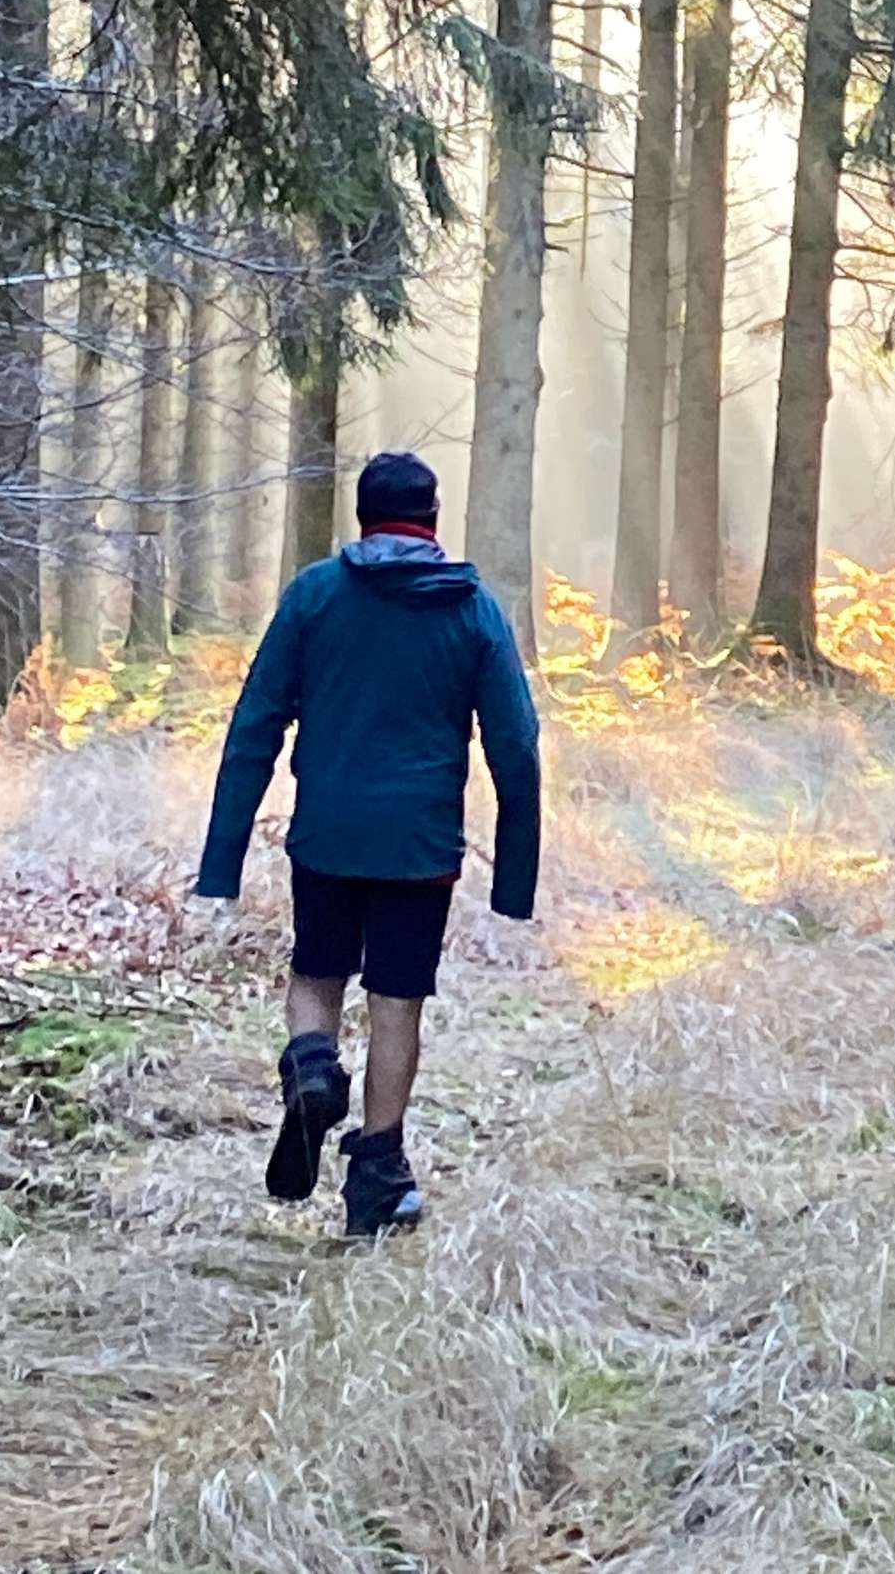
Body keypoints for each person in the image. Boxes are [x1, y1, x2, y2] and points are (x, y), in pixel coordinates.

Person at [194, 448, 542, 1237]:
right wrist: (515, 879)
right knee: (396, 1001)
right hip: (421, 846)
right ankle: (378, 1173)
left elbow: (255, 723)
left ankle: (313, 1068)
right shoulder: (473, 608)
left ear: (361, 519)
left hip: (327, 835)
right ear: (432, 521)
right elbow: (516, 745)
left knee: (316, 973)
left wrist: (221, 860)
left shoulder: (316, 594)